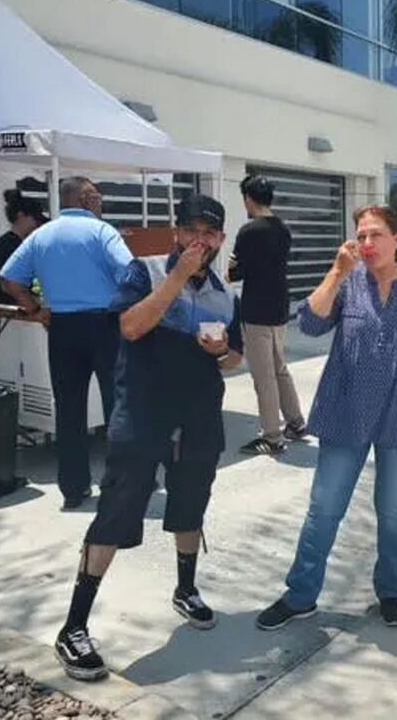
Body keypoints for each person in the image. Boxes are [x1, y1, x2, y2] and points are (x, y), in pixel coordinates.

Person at [53, 193, 243, 682]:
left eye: (212, 233)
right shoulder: (145, 272)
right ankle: (73, 626)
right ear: (177, 233)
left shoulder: (225, 293)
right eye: (194, 231)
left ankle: (185, 589)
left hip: (199, 412)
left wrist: (222, 350)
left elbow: (234, 360)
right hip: (143, 411)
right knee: (118, 508)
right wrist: (179, 277)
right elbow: (131, 327)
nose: (202, 240)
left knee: (191, 500)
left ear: (221, 239)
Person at [256, 205, 397, 631]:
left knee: (395, 510)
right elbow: (308, 324)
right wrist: (335, 273)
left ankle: (390, 592)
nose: (367, 244)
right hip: (346, 409)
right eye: (361, 235)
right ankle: (301, 595)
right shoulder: (347, 282)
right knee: (324, 509)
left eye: (376, 235)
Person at [1, 177, 132, 510]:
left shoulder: (41, 235)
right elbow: (130, 273)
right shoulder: (103, 233)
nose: (101, 202)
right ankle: (122, 482)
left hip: (61, 328)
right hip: (104, 325)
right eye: (98, 196)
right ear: (87, 199)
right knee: (117, 406)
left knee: (69, 409)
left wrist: (33, 307)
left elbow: (9, 279)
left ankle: (74, 489)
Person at [228, 174, 306, 456]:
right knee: (279, 367)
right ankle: (295, 422)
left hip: (257, 308)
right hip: (279, 306)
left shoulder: (249, 231)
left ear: (248, 199)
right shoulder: (283, 229)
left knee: (264, 374)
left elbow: (235, 272)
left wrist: (232, 267)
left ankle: (272, 436)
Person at [0, 187, 48, 303]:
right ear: (21, 216)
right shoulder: (8, 245)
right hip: (16, 308)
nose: (37, 225)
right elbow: (9, 284)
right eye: (35, 219)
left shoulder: (17, 243)